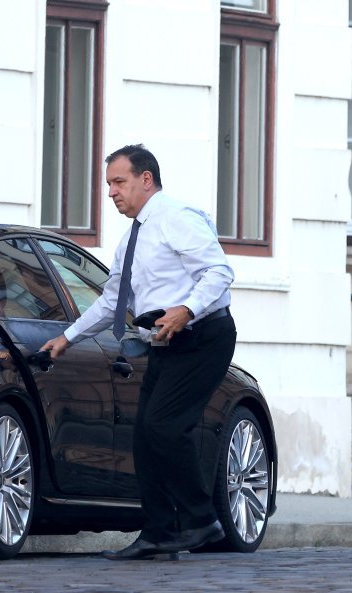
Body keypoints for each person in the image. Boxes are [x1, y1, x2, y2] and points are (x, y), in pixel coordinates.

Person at [40, 144, 237, 560]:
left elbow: (219, 271)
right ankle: (159, 533)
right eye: (109, 184)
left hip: (203, 337)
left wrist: (186, 310)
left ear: (145, 179)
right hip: (165, 343)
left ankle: (202, 520)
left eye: (119, 182)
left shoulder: (176, 217)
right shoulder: (132, 236)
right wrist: (67, 338)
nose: (111, 192)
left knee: (166, 427)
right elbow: (112, 301)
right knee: (145, 437)